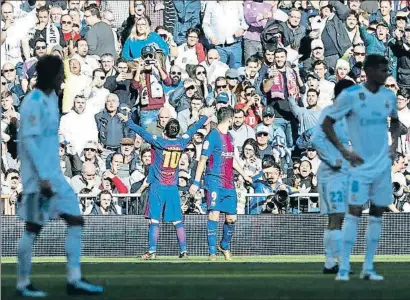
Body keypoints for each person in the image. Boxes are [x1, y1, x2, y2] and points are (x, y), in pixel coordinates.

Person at [16, 55, 103, 297]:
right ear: (50, 76)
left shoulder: (53, 98)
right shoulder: (32, 102)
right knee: (32, 228)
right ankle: (23, 283)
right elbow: (30, 141)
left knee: (76, 220)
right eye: (60, 75)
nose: (63, 79)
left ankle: (74, 280)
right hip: (38, 178)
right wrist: (42, 176)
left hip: (55, 175)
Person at [321, 54, 402, 281]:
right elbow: (328, 125)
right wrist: (345, 151)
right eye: (382, 69)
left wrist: (393, 146)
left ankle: (368, 267)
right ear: (368, 71)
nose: (386, 74)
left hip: (378, 164)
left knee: (377, 212)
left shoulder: (388, 96)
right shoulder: (353, 97)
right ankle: (343, 265)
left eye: (387, 69)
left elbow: (395, 123)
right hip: (355, 167)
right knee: (353, 213)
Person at [118, 108, 215, 259]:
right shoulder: (182, 142)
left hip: (157, 186)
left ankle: (152, 251)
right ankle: (183, 250)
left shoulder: (158, 142)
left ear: (165, 130)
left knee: (154, 220)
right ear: (176, 132)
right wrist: (204, 118)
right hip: (172, 187)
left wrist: (127, 121)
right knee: (177, 220)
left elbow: (142, 132)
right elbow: (193, 128)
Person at [189, 107, 252, 261]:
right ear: (230, 119)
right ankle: (212, 253)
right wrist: (196, 182)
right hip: (214, 181)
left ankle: (224, 245)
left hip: (229, 183)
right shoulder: (212, 137)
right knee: (214, 214)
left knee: (232, 218)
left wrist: (244, 175)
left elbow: (231, 159)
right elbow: (202, 159)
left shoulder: (230, 137)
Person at [311, 79, 355, 274]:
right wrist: (332, 160)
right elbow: (315, 139)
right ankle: (337, 262)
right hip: (332, 174)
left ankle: (331, 262)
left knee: (338, 218)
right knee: (336, 217)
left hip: (344, 173)